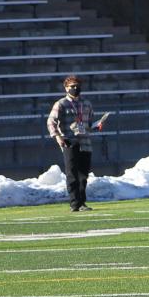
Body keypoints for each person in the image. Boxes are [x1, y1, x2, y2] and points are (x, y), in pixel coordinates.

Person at [46, 75, 106, 212]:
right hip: (69, 141)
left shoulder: (87, 103)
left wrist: (98, 125)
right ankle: (75, 203)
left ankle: (82, 202)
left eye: (77, 85)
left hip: (85, 141)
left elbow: (89, 124)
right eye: (71, 86)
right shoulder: (61, 104)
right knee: (72, 173)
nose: (75, 88)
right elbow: (51, 121)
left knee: (83, 174)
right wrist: (57, 136)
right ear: (66, 88)